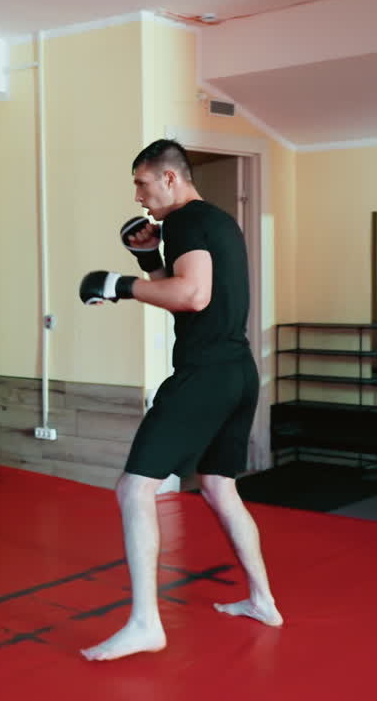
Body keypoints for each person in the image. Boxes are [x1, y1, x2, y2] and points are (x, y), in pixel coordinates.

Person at [78, 140, 282, 662]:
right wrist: (148, 259)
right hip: (239, 371)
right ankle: (263, 600)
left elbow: (193, 295)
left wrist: (119, 284)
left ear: (170, 178)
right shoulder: (214, 222)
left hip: (206, 374)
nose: (140, 196)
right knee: (218, 485)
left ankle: (146, 623)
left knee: (133, 489)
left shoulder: (188, 221)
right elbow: (184, 300)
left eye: (142, 183)